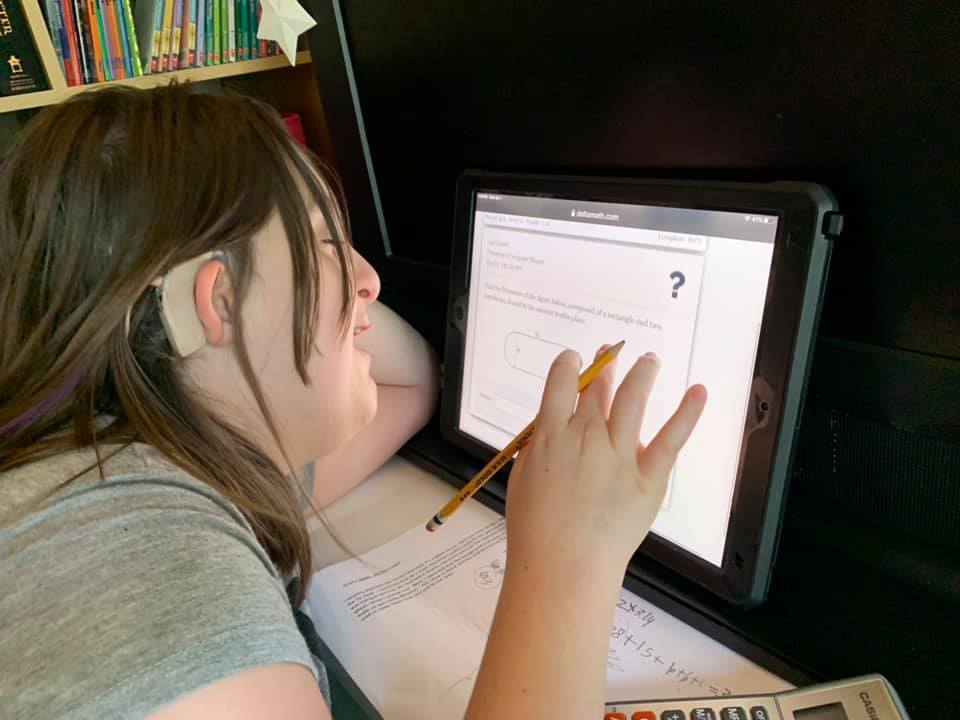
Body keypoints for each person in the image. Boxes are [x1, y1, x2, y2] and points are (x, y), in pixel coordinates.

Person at [0, 84, 705, 720]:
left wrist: (327, 301)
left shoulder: (156, 463)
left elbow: (410, 383)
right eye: (324, 241)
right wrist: (570, 558)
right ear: (218, 300)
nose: (369, 278)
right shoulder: (142, 572)